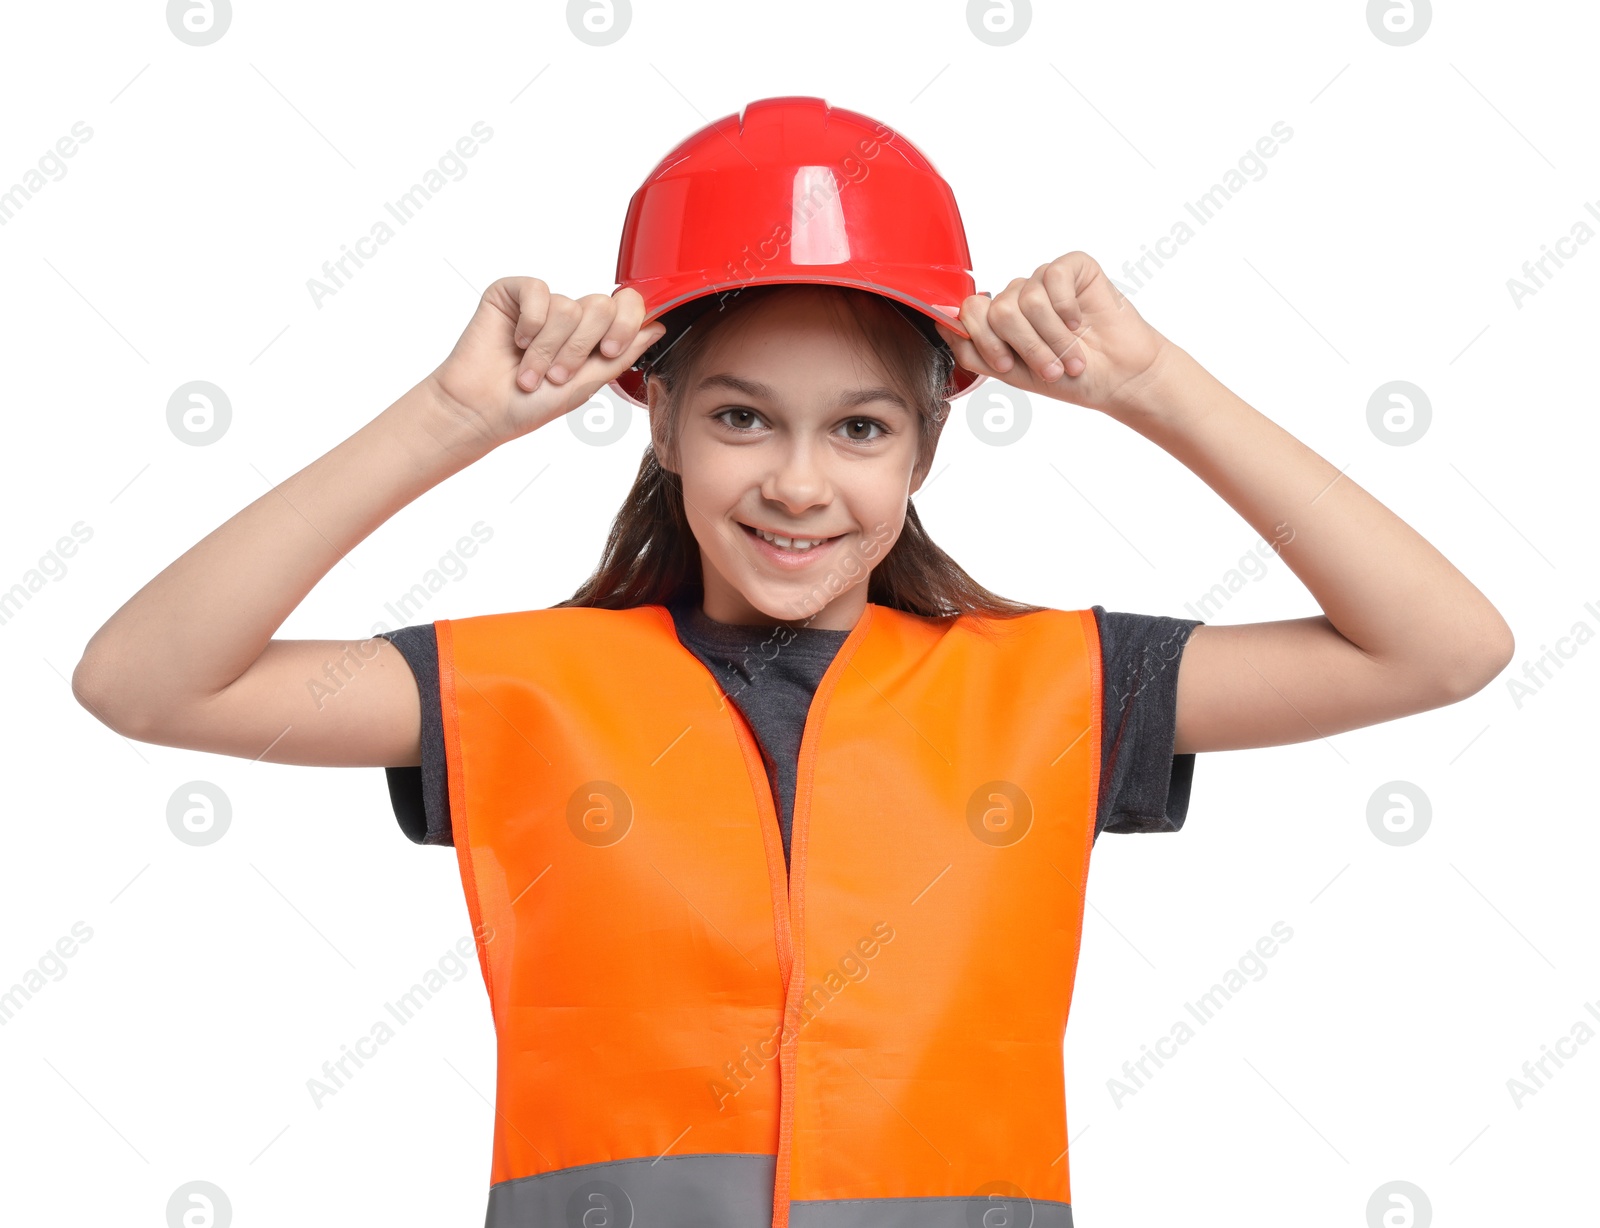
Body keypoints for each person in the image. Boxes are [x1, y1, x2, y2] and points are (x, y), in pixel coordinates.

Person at [72, 102, 1512, 1228]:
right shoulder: (526, 688)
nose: (800, 484)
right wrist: (448, 421)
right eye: (745, 419)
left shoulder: (1055, 688)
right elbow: (146, 684)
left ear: (929, 446)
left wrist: (1152, 386)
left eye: (864, 429)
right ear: (660, 423)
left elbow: (1444, 648)